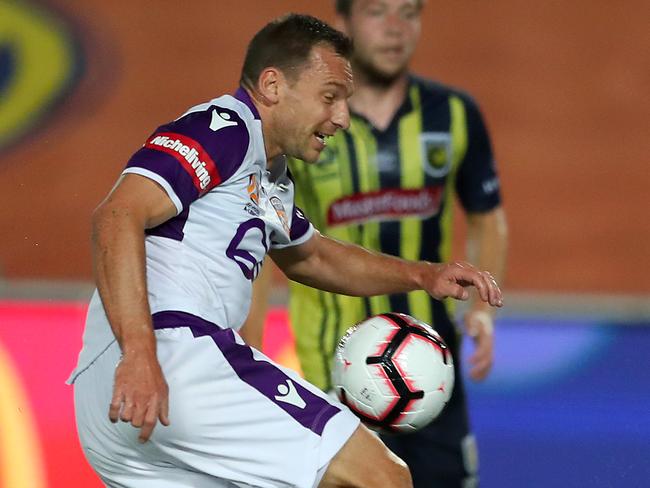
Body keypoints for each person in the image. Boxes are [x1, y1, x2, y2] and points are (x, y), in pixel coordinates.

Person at [68, 13, 503, 488]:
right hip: (170, 355)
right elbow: (115, 217)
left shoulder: (268, 173)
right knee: (384, 477)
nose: (341, 118)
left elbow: (311, 256)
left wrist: (423, 277)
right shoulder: (225, 128)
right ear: (273, 85)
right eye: (330, 97)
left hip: (109, 403)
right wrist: (141, 354)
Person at [241, 2, 508, 487]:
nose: (394, 29)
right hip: (331, 378)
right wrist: (248, 352)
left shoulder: (453, 115)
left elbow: (488, 218)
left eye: (408, 13)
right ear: (342, 25)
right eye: (376, 11)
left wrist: (484, 310)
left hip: (430, 374)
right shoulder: (307, 127)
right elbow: (260, 241)